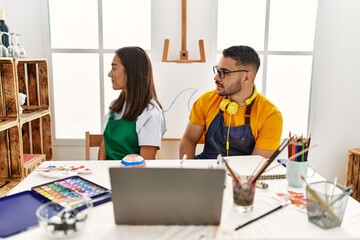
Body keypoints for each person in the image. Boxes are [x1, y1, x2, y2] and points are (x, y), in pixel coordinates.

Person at [179, 45, 282, 159]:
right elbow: (189, 139)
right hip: (206, 170)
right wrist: (188, 171)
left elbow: (256, 166)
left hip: (243, 175)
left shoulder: (270, 115)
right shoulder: (205, 101)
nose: (216, 77)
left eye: (225, 72)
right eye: (218, 71)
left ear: (246, 77)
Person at [98, 46, 166, 160]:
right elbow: (104, 146)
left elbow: (145, 164)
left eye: (114, 68)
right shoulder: (116, 106)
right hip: (108, 173)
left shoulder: (150, 113)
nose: (109, 74)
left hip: (132, 175)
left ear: (131, 71)